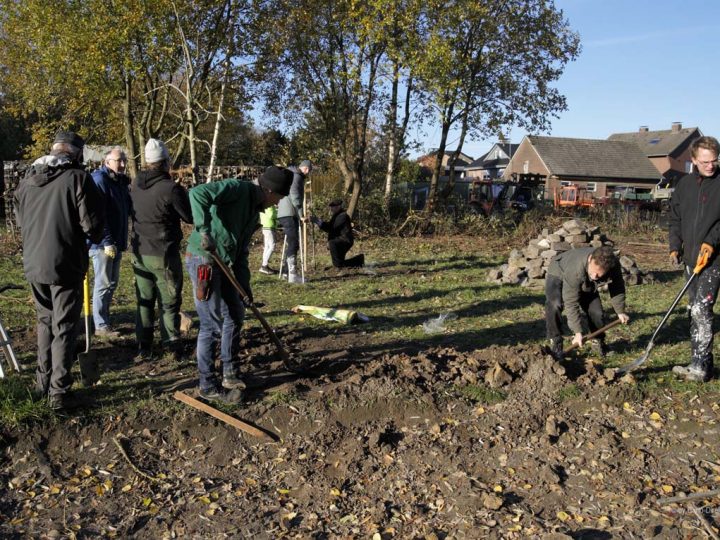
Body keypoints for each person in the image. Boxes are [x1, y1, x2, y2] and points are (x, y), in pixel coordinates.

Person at [186, 165, 293, 404]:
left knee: (235, 313)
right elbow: (197, 193)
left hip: (224, 263)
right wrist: (204, 231)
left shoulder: (254, 214)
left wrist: (244, 287)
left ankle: (231, 373)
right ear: (268, 190)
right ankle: (207, 385)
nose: (276, 204)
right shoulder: (237, 189)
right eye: (278, 198)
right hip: (204, 260)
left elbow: (241, 255)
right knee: (211, 324)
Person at [14, 131, 105, 410]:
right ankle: (59, 392)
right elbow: (92, 225)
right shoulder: (78, 179)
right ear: (76, 153)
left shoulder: (27, 181)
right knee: (64, 326)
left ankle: (42, 383)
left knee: (45, 322)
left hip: (34, 263)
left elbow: (19, 222)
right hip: (65, 264)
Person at [129, 139, 192, 361]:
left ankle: (143, 346)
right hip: (162, 252)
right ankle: (172, 343)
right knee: (169, 299)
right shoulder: (171, 189)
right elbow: (189, 216)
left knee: (145, 300)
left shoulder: (135, 185)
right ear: (166, 162)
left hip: (138, 252)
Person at [669, 136, 720, 382]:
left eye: (714, 160)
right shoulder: (684, 185)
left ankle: (700, 368)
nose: (710, 165)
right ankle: (699, 363)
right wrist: (674, 246)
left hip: (715, 259)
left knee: (702, 308)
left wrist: (712, 242)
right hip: (691, 258)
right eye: (705, 161)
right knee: (693, 310)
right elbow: (675, 217)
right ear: (693, 161)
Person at [545, 245, 630, 361]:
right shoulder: (576, 270)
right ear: (590, 259)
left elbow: (617, 286)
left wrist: (620, 311)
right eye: (594, 271)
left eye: (599, 274)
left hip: (584, 278)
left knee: (597, 312)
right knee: (555, 305)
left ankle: (598, 340)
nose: (595, 276)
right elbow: (571, 302)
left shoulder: (613, 265)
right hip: (559, 270)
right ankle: (556, 341)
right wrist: (578, 332)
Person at [88, 147, 131, 338]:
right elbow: (98, 214)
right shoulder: (100, 180)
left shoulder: (119, 182)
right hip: (102, 244)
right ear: (106, 161)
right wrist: (107, 241)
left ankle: (104, 321)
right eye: (118, 160)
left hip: (116, 240)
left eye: (124, 160)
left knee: (111, 283)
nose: (122, 164)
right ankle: (100, 325)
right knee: (103, 283)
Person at [277, 159, 312, 283]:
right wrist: (301, 214)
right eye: (307, 169)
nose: (307, 173)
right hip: (290, 213)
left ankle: (286, 272)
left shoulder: (291, 174)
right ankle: (292, 274)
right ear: (303, 168)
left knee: (291, 242)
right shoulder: (296, 177)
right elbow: (295, 196)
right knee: (294, 243)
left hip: (284, 212)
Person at [310, 199, 364, 269]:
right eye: (331, 207)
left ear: (338, 207)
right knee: (340, 263)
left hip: (344, 241)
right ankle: (359, 260)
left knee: (337, 260)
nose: (331, 209)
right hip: (340, 240)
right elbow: (331, 228)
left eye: (333, 207)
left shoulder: (342, 216)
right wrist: (317, 221)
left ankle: (353, 262)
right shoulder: (337, 215)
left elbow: (331, 228)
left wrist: (317, 221)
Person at [258, 203, 278, 275]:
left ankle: (264, 265)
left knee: (267, 247)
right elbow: (271, 215)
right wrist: (277, 212)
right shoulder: (269, 205)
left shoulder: (263, 205)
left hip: (264, 226)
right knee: (272, 246)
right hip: (269, 226)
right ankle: (264, 265)